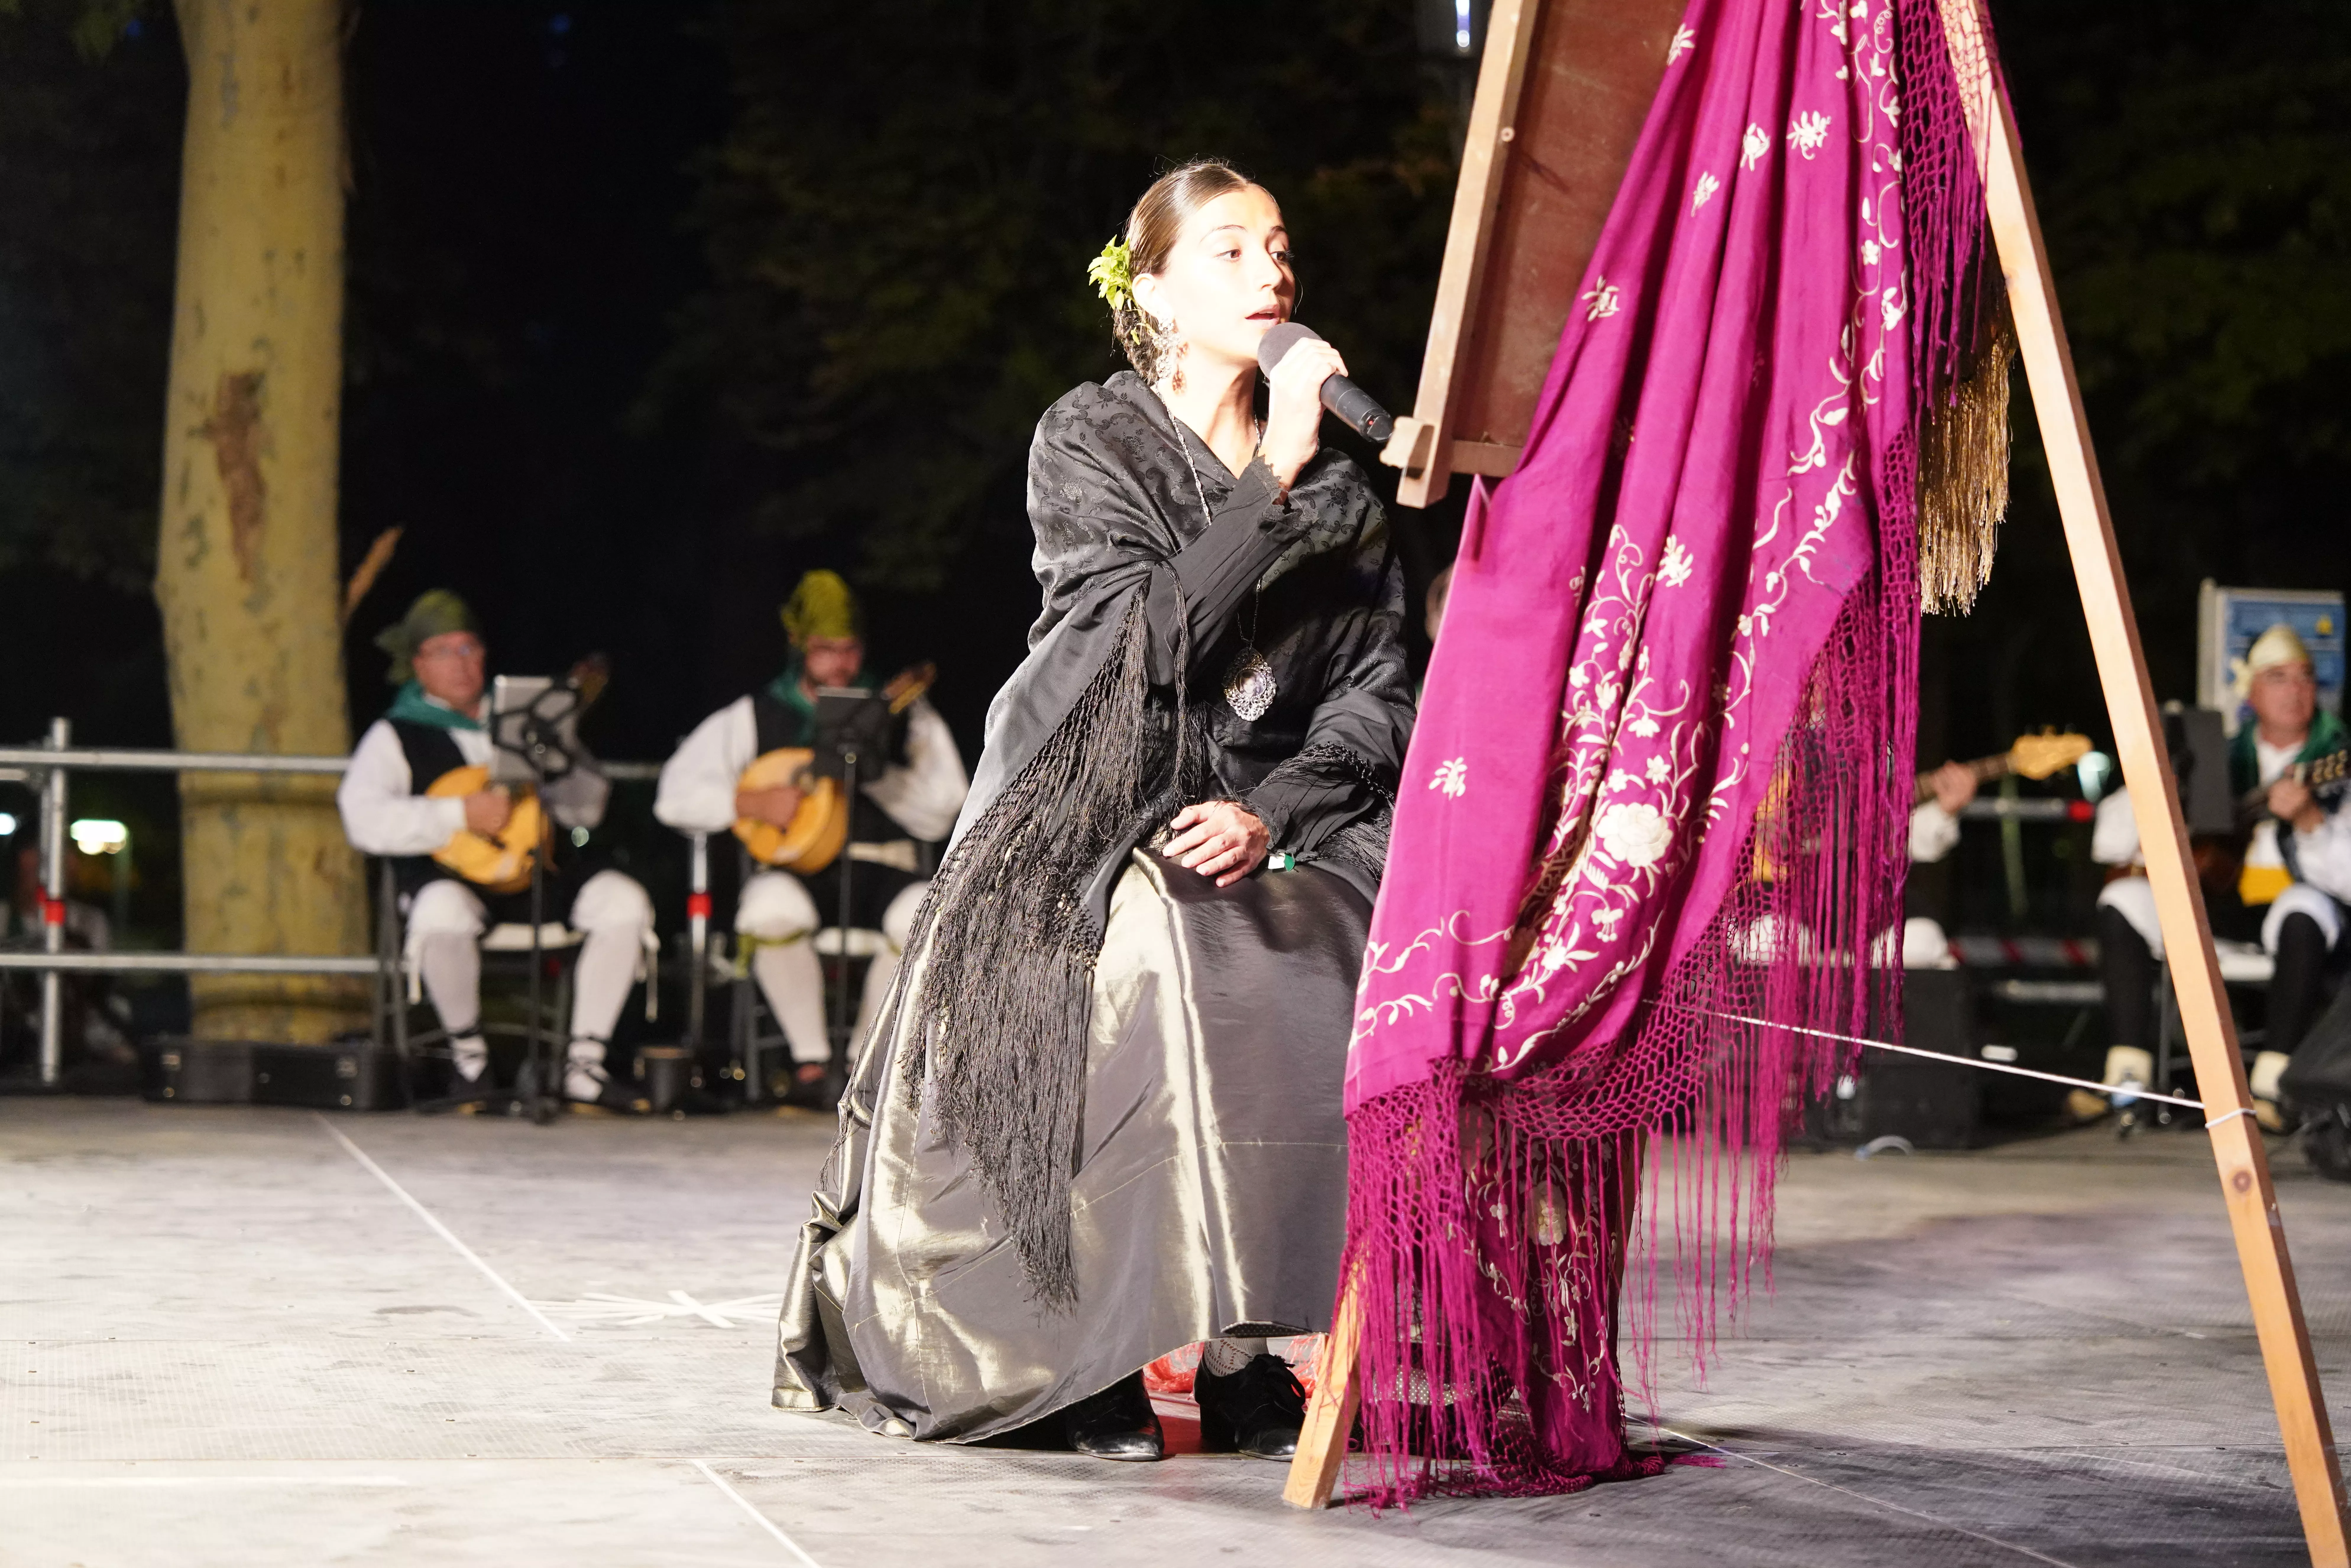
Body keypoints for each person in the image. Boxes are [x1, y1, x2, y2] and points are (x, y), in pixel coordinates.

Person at [772, 161, 1412, 1463]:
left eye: (1278, 249)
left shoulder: (1349, 494)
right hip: (1092, 780)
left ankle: (1243, 1347)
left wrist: (1278, 812)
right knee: (1154, 955)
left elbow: (1374, 689)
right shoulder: (1092, 440)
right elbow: (1142, 644)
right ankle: (1084, 1348)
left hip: (1266, 807)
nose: (1270, 274)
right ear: (1158, 294)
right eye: (1229, 252)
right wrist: (1267, 477)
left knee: (1326, 948)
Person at [653, 571, 967, 1097]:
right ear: (799, 646)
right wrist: (748, 802)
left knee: (925, 917)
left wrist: (876, 776)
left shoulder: (904, 714)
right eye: (825, 649)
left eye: (849, 649)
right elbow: (673, 796)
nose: (839, 663)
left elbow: (945, 811)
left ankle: (866, 1068)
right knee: (769, 909)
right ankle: (811, 1065)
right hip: (797, 872)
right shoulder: (755, 715)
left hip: (884, 868)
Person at [337, 590, 656, 1105]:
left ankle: (584, 1065)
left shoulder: (527, 722)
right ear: (418, 663)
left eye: (469, 649)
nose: (462, 664)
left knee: (625, 902)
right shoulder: (395, 735)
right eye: (444, 652)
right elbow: (363, 819)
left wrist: (563, 755)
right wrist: (457, 815)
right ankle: (471, 1064)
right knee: (439, 912)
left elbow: (586, 812)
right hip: (453, 879)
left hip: (536, 874)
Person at [2081, 623, 2347, 1127]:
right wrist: (2161, 789)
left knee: (2304, 906)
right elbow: (2108, 844)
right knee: (2123, 899)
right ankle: (2128, 1074)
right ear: (2250, 691)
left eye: (2305, 678)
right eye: (2278, 678)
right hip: (2217, 908)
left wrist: (2312, 823)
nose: (2295, 690)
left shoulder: (2336, 762)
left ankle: (2276, 1083)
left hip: (2301, 927)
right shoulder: (2217, 758)